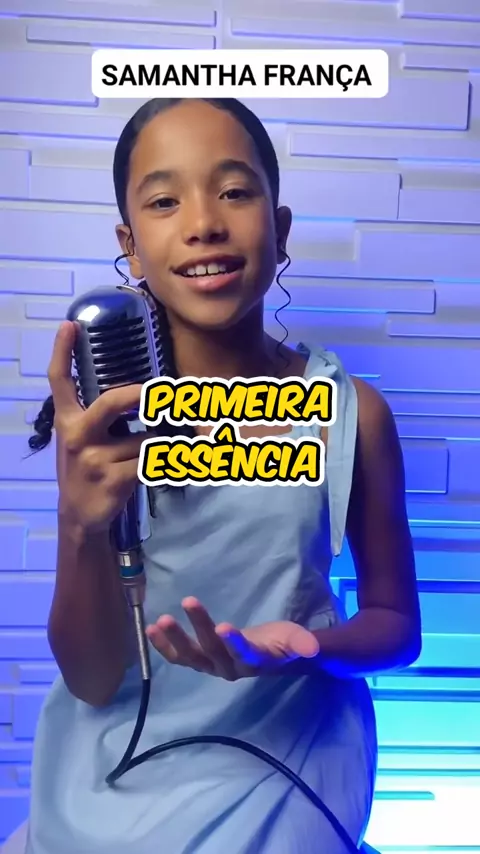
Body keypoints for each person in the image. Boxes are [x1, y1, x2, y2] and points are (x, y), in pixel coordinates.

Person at [8, 97, 421, 854]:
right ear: (131, 247)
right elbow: (93, 680)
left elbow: (396, 628)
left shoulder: (353, 413)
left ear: (281, 228)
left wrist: (304, 649)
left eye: (233, 190)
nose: (204, 223)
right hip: (117, 761)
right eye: (165, 201)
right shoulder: (107, 423)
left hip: (289, 748)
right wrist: (79, 522)